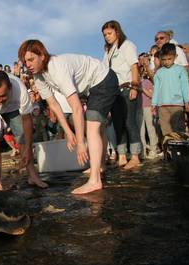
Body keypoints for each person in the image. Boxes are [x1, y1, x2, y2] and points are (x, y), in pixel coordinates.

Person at [18, 39, 119, 194]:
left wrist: (80, 142)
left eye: (31, 59)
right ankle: (100, 166)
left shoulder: (56, 67)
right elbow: (54, 105)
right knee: (99, 128)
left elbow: (77, 108)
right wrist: (68, 132)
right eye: (25, 62)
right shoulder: (38, 77)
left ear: (42, 56)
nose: (28, 65)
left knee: (91, 127)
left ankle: (95, 180)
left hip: (103, 79)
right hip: (91, 87)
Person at [0, 70, 48, 190]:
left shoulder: (20, 89)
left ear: (10, 87)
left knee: (22, 136)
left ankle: (33, 176)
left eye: (3, 95)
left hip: (12, 107)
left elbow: (27, 120)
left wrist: (28, 149)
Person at [102, 20, 141, 169]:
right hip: (114, 92)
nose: (107, 36)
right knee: (118, 124)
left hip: (127, 87)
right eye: (105, 34)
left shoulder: (127, 45)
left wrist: (135, 86)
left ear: (117, 32)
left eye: (109, 33)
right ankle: (123, 155)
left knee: (129, 122)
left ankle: (136, 156)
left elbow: (134, 66)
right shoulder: (108, 51)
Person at [152, 43, 189, 136]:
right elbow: (157, 89)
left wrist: (186, 102)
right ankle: (169, 149)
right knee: (166, 130)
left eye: (169, 59)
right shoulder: (159, 73)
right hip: (162, 106)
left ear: (175, 56)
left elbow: (185, 86)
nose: (166, 62)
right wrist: (154, 103)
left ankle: (181, 149)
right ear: (161, 58)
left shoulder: (181, 70)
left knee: (179, 129)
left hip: (177, 105)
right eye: (164, 59)